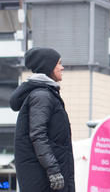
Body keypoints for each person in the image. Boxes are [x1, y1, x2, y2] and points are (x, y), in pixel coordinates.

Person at [10, 47, 75, 191]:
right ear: (48, 66)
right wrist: (53, 171)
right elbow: (38, 136)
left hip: (47, 176)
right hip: (44, 180)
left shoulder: (47, 93)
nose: (62, 67)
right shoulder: (42, 96)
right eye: (58, 63)